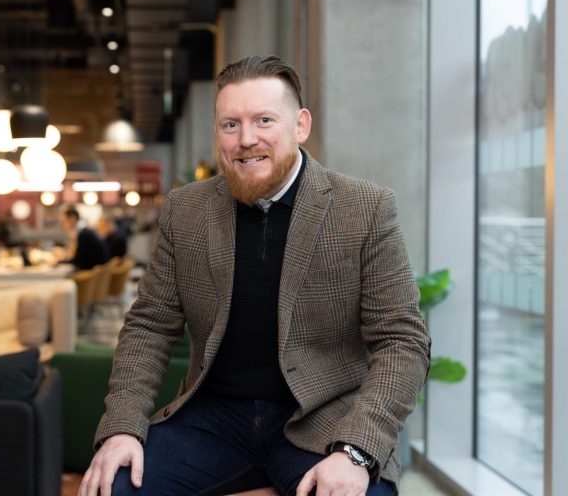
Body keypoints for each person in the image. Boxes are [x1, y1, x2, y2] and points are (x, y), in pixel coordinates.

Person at [80, 56, 432, 496]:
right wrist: (122, 427)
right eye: (231, 124)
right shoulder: (185, 210)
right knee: (112, 487)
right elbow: (149, 326)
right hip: (212, 419)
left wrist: (358, 449)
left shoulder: (364, 208)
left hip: (322, 419)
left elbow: (402, 340)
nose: (246, 139)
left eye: (264, 120)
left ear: (300, 126)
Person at [59, 206, 110, 270]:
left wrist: (59, 261)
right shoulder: (84, 232)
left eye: (64, 221)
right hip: (97, 269)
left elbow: (78, 261)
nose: (63, 224)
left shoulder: (84, 235)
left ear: (72, 219)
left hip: (95, 272)